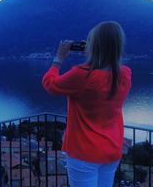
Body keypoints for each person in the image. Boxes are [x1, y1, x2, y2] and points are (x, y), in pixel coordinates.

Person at [42, 21, 132, 187]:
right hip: (112, 149)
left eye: (89, 42)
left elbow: (50, 84)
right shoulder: (125, 75)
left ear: (94, 46)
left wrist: (58, 59)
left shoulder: (82, 75)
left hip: (84, 152)